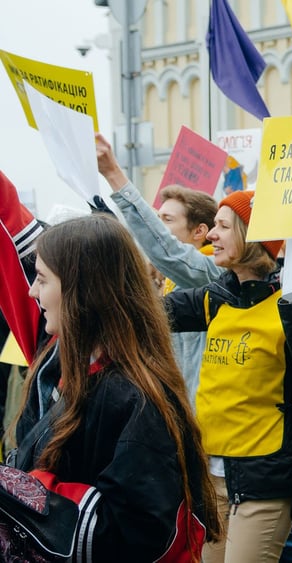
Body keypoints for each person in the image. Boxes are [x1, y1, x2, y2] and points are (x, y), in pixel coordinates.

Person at [11, 214, 220, 561]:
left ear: (84, 291)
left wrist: (31, 492)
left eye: (43, 279)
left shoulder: (134, 396)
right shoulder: (72, 368)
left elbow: (135, 529)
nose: (32, 290)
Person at [163, 190, 292, 563]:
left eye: (224, 226)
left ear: (254, 237)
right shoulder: (216, 298)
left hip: (265, 481)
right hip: (211, 477)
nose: (212, 234)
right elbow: (145, 313)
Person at [97, 132, 224, 404]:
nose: (158, 229)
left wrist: (114, 176)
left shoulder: (214, 272)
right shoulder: (170, 280)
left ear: (200, 231)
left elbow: (167, 251)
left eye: (166, 220)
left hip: (201, 419)